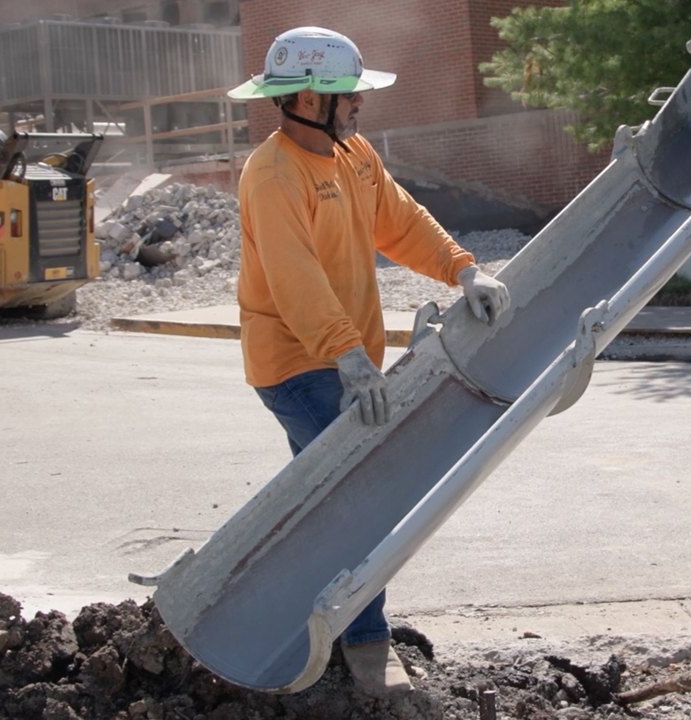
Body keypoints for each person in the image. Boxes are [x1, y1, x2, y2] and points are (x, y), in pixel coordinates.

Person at [227, 27, 511, 698]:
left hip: (343, 358)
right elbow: (294, 277)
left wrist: (463, 269)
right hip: (298, 365)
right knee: (359, 495)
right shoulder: (272, 175)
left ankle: (282, 624)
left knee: (322, 502)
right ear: (307, 99)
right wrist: (346, 354)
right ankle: (365, 646)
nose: (360, 102)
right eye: (347, 93)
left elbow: (401, 221)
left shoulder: (352, 155)